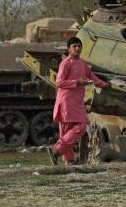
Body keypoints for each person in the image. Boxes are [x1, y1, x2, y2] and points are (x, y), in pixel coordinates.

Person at [47, 36, 109, 166]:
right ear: (69, 49)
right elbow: (59, 82)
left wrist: (105, 85)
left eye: (79, 46)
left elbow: (93, 78)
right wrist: (77, 82)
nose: (77, 48)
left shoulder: (83, 64)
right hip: (66, 101)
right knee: (70, 130)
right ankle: (67, 159)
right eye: (74, 46)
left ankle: (57, 151)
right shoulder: (65, 63)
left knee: (80, 127)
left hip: (77, 102)